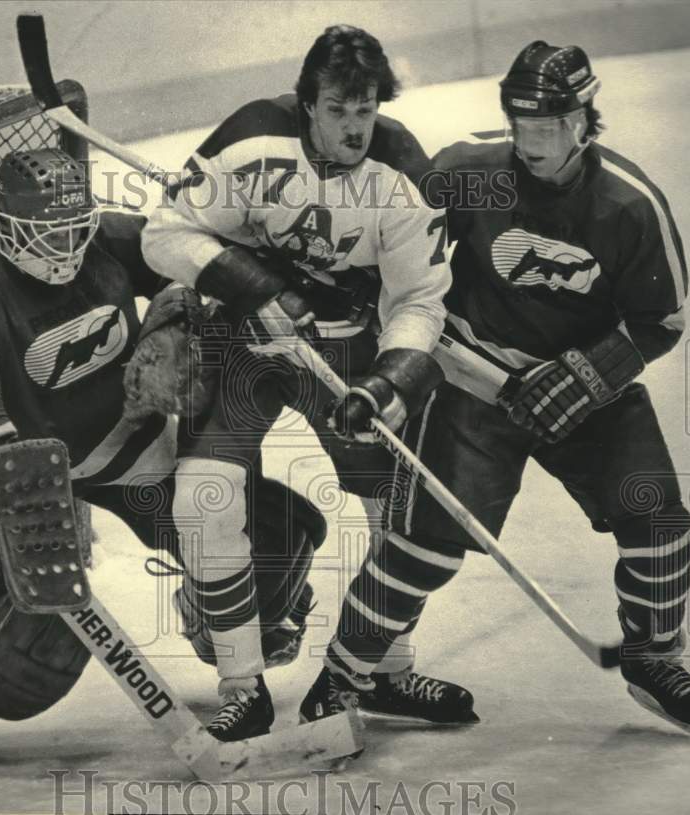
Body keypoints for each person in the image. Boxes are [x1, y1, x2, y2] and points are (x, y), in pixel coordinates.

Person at [0, 148, 326, 742]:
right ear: (7, 228)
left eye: (72, 231)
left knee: (279, 533)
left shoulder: (106, 238)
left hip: (129, 451)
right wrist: (24, 484)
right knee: (38, 644)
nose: (63, 251)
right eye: (45, 235)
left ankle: (208, 617)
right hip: (31, 482)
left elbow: (176, 254)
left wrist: (175, 316)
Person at [302, 40, 690, 738]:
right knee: (424, 542)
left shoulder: (626, 205)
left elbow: (661, 320)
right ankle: (343, 674)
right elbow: (401, 254)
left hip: (589, 397)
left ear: (587, 119)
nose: (534, 142)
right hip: (473, 385)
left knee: (659, 523)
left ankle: (651, 654)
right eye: (523, 124)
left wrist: (587, 376)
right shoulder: (475, 175)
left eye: (552, 126)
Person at [140, 24, 476, 741]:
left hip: (348, 351)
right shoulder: (251, 141)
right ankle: (241, 684)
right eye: (337, 111)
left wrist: (387, 382)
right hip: (247, 341)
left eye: (367, 111)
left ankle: (384, 667)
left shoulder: (405, 175)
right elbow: (162, 233)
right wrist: (253, 284)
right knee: (203, 489)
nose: (355, 129)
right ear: (307, 102)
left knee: (394, 501)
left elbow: (419, 302)